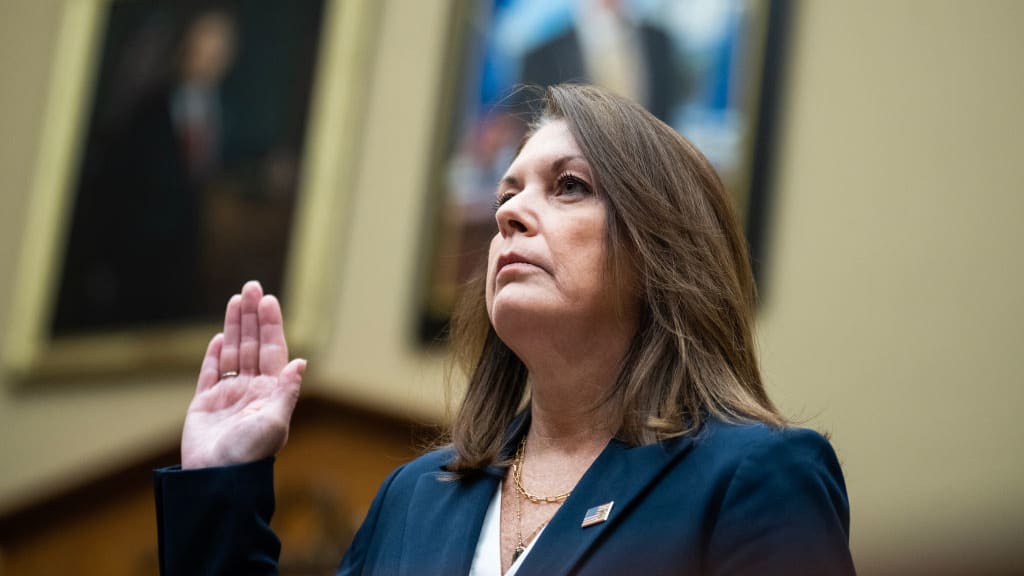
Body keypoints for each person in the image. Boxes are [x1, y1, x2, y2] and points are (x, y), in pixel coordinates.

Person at [153, 84, 855, 575]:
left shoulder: (757, 479)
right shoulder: (414, 499)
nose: (509, 215)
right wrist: (223, 480)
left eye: (569, 186)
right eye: (507, 193)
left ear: (661, 251)